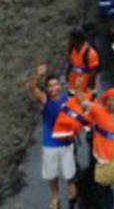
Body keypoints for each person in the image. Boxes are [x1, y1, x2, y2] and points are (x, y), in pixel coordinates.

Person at [28, 64, 78, 209]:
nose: (53, 88)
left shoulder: (67, 100)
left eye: (56, 84)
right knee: (52, 174)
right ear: (47, 89)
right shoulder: (45, 99)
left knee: (69, 171)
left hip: (66, 143)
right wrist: (38, 75)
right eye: (50, 85)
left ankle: (70, 184)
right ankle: (55, 196)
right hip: (50, 143)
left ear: (59, 86)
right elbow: (32, 88)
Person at [66, 27, 100, 95]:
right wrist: (67, 75)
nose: (69, 40)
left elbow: (93, 73)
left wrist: (89, 88)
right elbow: (71, 64)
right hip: (73, 85)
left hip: (85, 87)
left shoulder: (90, 53)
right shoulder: (73, 50)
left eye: (71, 38)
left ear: (75, 39)